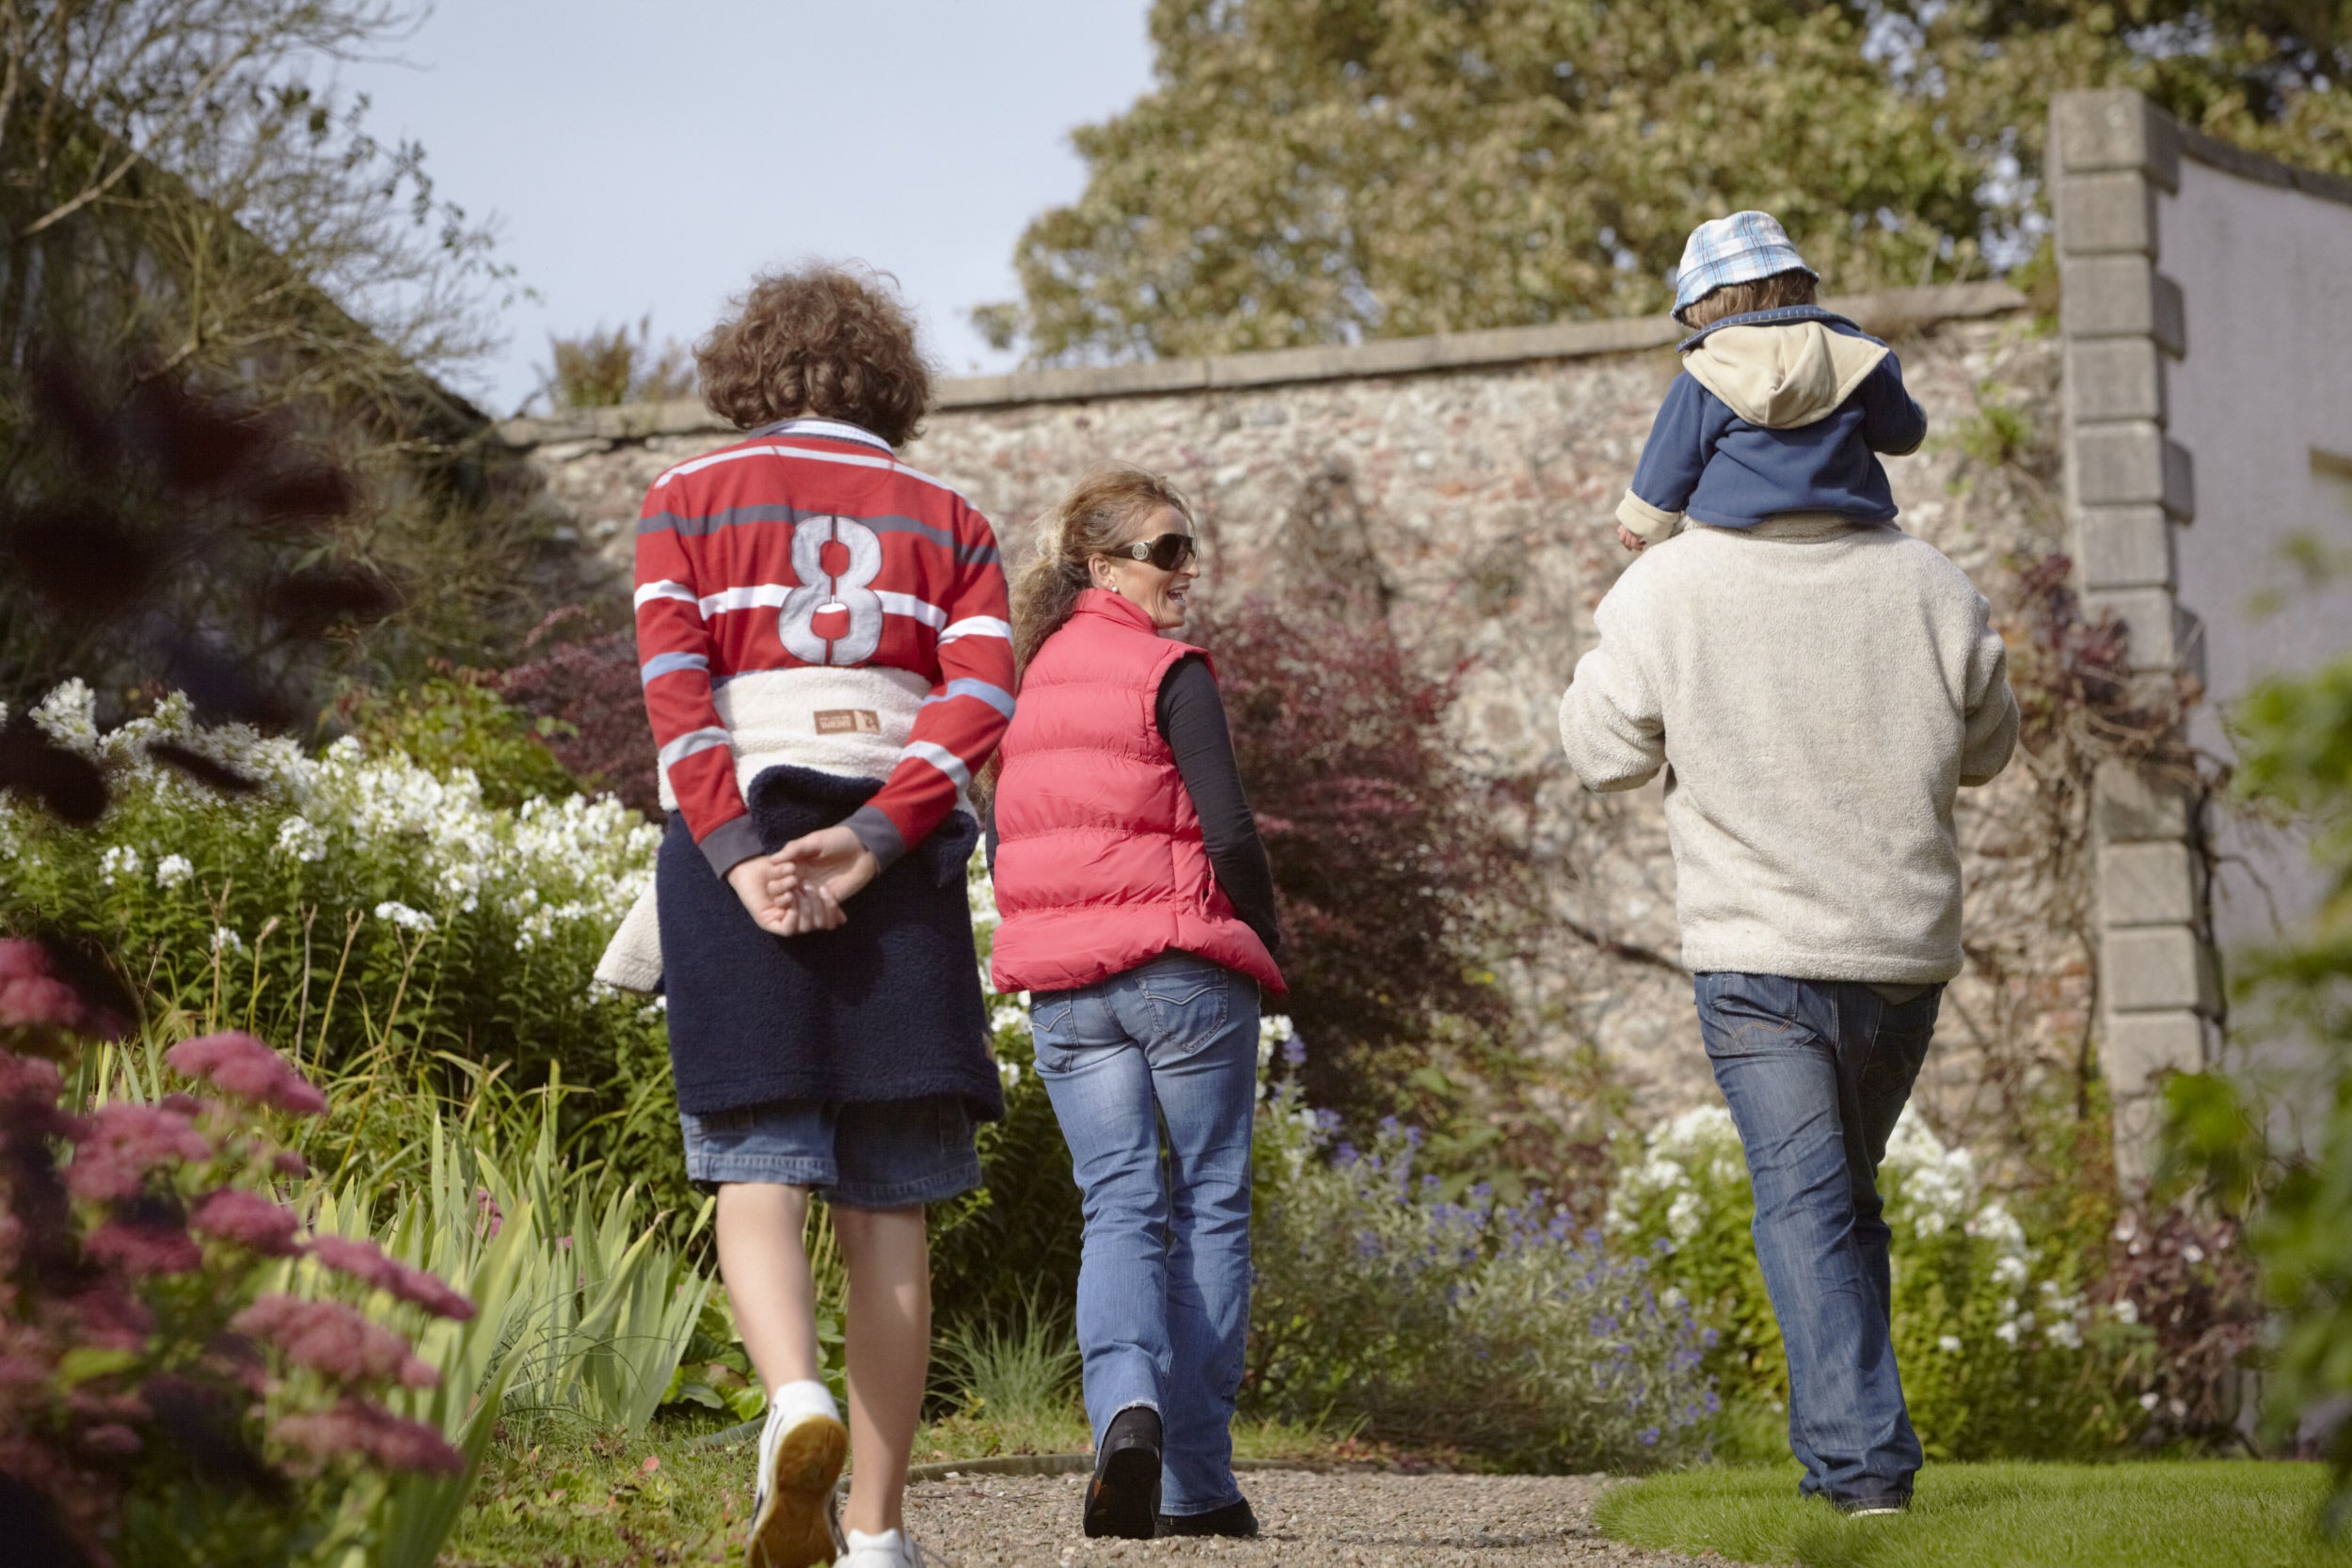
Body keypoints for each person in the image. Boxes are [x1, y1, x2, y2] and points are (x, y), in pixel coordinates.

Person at [1557, 355, 2020, 1511]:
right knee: (1841, 1202)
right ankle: (1859, 1459)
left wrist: (1608, 654)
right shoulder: (1933, 582)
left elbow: (1603, 754)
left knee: (1814, 1208)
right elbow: (1989, 746)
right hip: (1900, 954)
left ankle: (1861, 1473)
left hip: (1759, 955)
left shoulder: (1666, 586)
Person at [620, 262, 1013, 1568]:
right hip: (890, 860)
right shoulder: (951, 516)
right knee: (888, 1204)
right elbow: (981, 701)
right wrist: (872, 837)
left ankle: (793, 1393)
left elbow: (677, 695)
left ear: (755, 371)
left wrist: (741, 856)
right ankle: (880, 1532)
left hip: (738, 833)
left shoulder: (683, 499)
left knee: (756, 1163)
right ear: (886, 383)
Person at [983, 467, 1284, 1542]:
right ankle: (1199, 1479)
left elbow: (998, 833)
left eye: (1188, 547)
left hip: (1067, 991)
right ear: (1101, 564)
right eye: (1165, 550)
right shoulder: (1170, 670)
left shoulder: (1019, 680)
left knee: (1116, 1203)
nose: (1185, 568)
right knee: (1207, 1202)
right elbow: (1234, 835)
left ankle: (1126, 1411)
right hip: (1180, 970)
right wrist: (1270, 944)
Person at [1613, 210, 1929, 555]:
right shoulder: (1858, 355)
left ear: (1698, 307)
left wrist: (1640, 522)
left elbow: (1670, 460)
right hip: (1850, 518)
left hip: (1733, 524)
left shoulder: (1701, 377)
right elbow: (1902, 435)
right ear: (1798, 283)